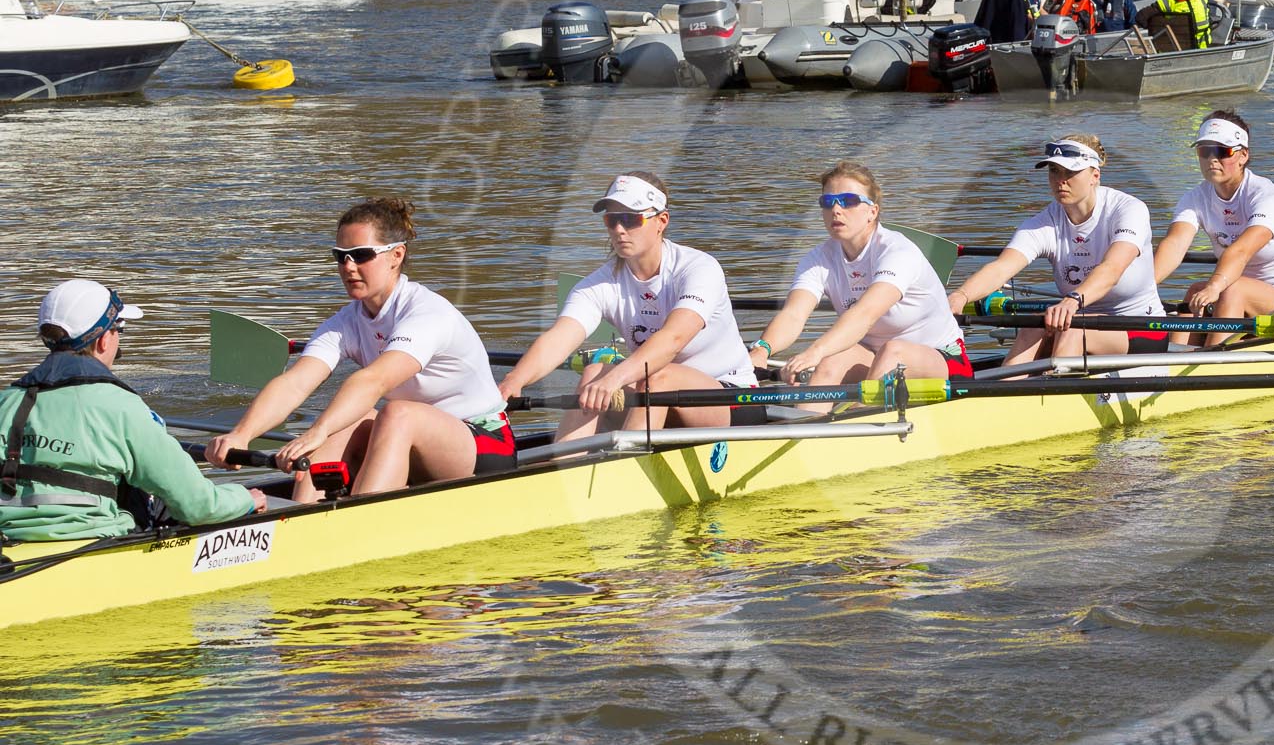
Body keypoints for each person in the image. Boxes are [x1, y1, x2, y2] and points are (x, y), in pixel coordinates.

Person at [207, 198, 512, 501]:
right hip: (416, 441)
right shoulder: (346, 321)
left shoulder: (427, 314)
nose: (348, 267)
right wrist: (241, 434)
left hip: (484, 442)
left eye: (361, 255)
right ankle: (302, 517)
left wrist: (319, 431)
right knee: (351, 418)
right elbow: (296, 382)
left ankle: (359, 522)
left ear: (396, 255)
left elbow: (374, 381)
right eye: (340, 257)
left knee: (395, 414)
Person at [496, 173, 757, 445]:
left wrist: (616, 378)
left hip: (731, 398)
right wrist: (513, 382)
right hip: (654, 394)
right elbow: (559, 339)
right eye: (612, 219)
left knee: (654, 377)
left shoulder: (698, 268)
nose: (619, 229)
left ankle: (628, 469)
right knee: (594, 372)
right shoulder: (599, 284)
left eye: (631, 219)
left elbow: (674, 339)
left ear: (661, 221)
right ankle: (563, 468)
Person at [1, 281, 265, 542]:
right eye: (120, 329)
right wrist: (244, 499)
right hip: (91, 541)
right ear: (105, 340)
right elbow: (199, 507)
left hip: (11, 541)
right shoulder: (121, 406)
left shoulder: (7, 401)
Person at [749, 162, 974, 388]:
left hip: (942, 358)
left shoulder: (897, 251)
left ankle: (858, 417)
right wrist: (762, 349)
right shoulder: (817, 259)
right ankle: (808, 421)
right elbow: (794, 314)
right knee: (830, 362)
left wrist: (814, 351)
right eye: (827, 202)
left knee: (892, 354)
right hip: (872, 355)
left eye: (849, 201)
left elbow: (865, 314)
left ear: (872, 211)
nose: (836, 209)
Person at [946, 135, 1165, 364]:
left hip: (1141, 326)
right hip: (1079, 319)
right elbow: (1002, 268)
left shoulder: (1128, 210)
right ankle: (1003, 390)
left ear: (1094, 176)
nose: (1061, 180)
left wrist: (1073, 300)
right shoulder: (1045, 222)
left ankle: (1049, 390)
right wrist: (960, 296)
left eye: (1070, 172)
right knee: (1032, 327)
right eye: (1054, 171)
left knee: (1070, 331)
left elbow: (1112, 269)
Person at [1152, 112, 1274, 346]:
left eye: (1222, 151)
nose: (1212, 159)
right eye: (1204, 151)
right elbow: (1175, 245)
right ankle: (1171, 361)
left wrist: (1216, 286)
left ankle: (1210, 366)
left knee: (1232, 289)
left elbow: (1241, 251)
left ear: (1243, 155)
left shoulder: (1267, 196)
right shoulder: (1195, 198)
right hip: (1234, 293)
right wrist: (1144, 289)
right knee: (1194, 292)